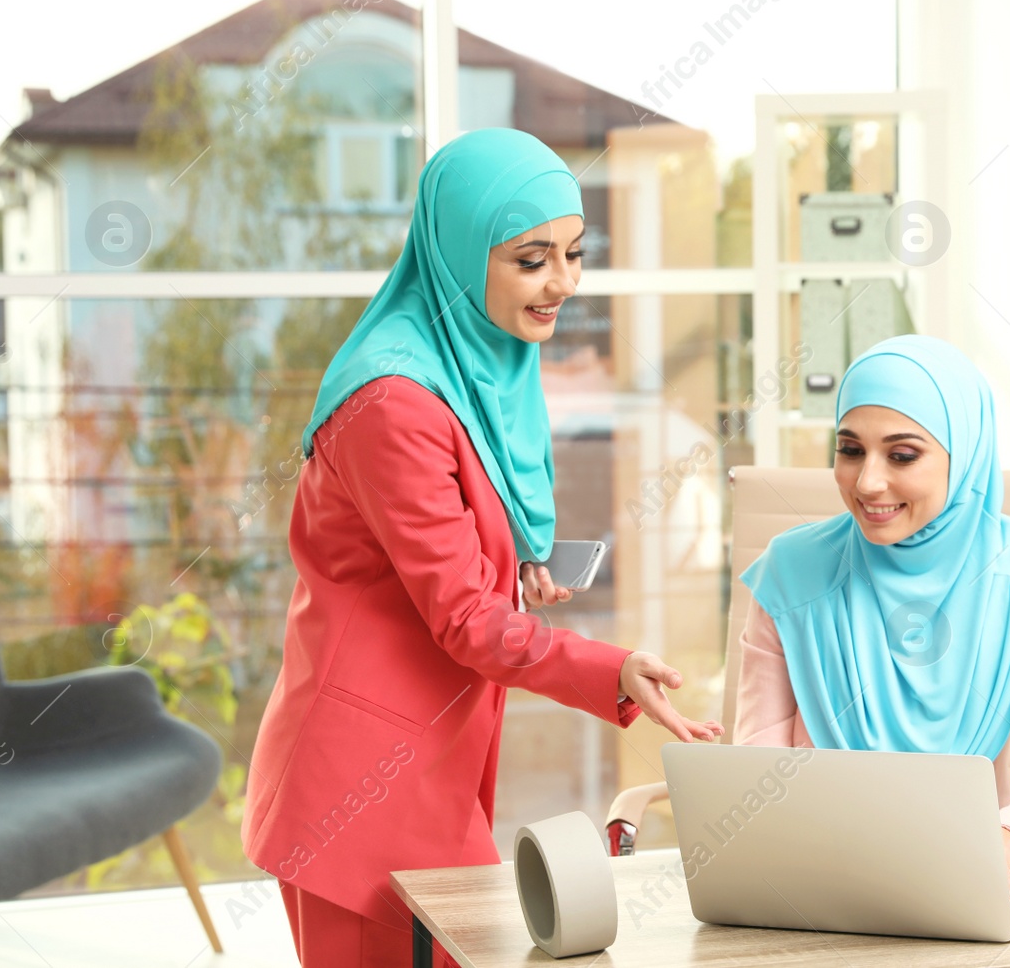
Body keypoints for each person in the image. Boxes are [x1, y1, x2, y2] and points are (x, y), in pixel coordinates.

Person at [242, 128, 722, 968]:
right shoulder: (394, 400)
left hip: (423, 759)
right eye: (532, 258)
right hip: (361, 782)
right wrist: (607, 668)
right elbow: (464, 617)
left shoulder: (477, 365)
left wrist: (513, 564)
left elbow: (445, 546)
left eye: (574, 253)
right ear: (463, 252)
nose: (563, 283)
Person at [733, 334, 1010, 894]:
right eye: (850, 450)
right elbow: (756, 775)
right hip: (818, 882)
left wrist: (996, 846)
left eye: (902, 455)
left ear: (965, 453)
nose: (868, 482)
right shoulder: (791, 572)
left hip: (964, 879)